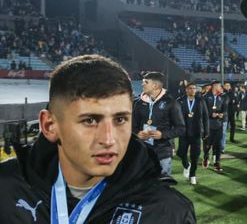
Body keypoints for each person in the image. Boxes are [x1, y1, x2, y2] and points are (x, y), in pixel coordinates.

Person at [0, 54, 196, 223]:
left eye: (120, 119)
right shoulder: (6, 188)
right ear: (49, 126)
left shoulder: (169, 211)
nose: (109, 139)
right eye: (90, 120)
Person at [132, 71, 185, 175]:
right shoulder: (138, 103)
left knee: (163, 185)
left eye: (146, 82)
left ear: (155, 85)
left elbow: (181, 128)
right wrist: (137, 134)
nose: (142, 84)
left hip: (162, 151)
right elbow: (132, 126)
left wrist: (162, 135)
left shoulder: (171, 103)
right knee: (142, 185)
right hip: (143, 151)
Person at [177, 82, 209, 185]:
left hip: (196, 132)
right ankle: (186, 165)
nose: (192, 90)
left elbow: (205, 117)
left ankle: (192, 175)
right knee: (181, 153)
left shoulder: (201, 101)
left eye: (194, 88)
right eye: (190, 88)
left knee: (195, 156)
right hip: (184, 132)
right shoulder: (180, 101)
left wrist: (206, 131)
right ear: (186, 90)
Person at [202, 81, 227, 172]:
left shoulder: (222, 97)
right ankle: (206, 157)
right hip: (208, 125)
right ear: (214, 86)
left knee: (218, 145)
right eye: (220, 86)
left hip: (218, 124)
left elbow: (225, 110)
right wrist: (210, 114)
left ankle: (217, 162)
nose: (221, 87)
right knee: (207, 145)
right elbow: (202, 111)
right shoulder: (205, 97)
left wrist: (222, 114)